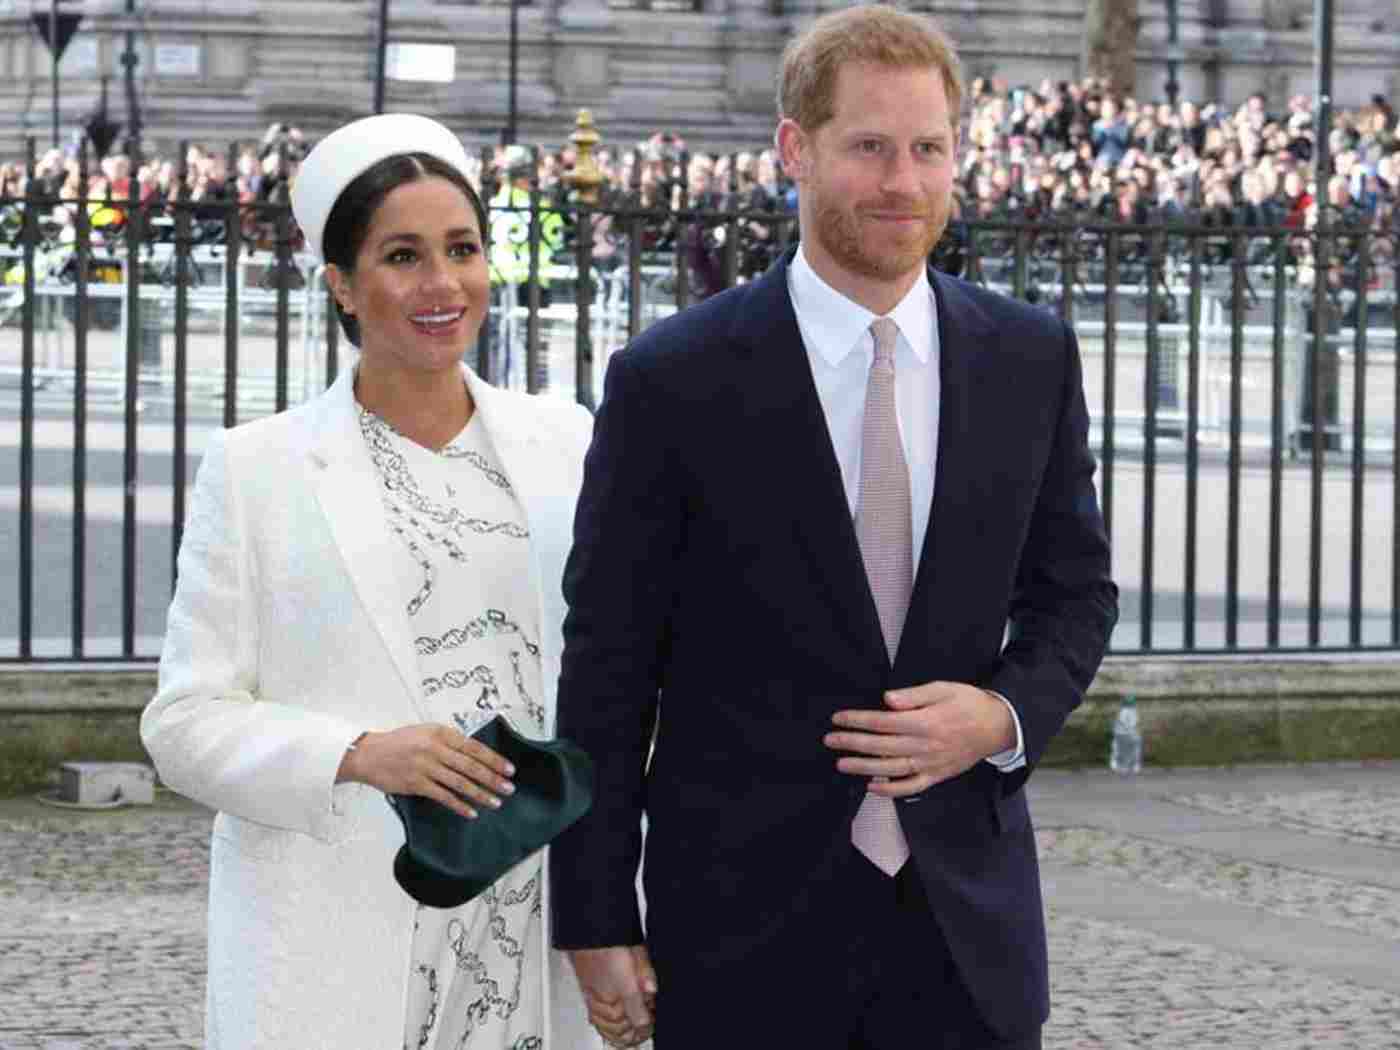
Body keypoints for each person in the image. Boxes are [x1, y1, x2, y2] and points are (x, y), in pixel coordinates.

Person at [548, 6, 1118, 1050]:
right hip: (740, 931)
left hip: (966, 936)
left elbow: (1074, 596)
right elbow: (607, 668)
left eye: (928, 149)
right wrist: (594, 914)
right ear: (794, 149)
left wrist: (999, 716)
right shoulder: (672, 379)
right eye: (868, 147)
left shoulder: (1029, 358)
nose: (903, 181)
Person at [140, 113, 599, 1050]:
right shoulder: (257, 469)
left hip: (533, 929)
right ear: (342, 286)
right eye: (402, 256)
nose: (442, 284)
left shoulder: (570, 442)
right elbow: (183, 724)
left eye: (462, 249)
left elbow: (622, 678)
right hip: (340, 937)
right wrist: (356, 752)